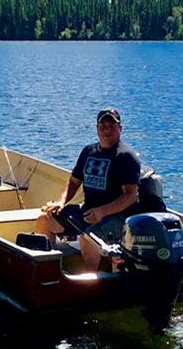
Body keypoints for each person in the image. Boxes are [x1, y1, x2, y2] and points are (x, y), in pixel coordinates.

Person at [35, 108, 141, 271]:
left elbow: (131, 195)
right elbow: (74, 181)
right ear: (97, 128)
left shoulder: (125, 156)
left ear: (120, 129)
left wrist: (103, 211)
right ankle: (49, 271)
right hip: (88, 212)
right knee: (45, 220)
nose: (107, 130)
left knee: (88, 239)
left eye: (112, 126)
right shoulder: (88, 152)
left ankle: (93, 280)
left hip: (117, 218)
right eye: (103, 126)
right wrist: (61, 202)